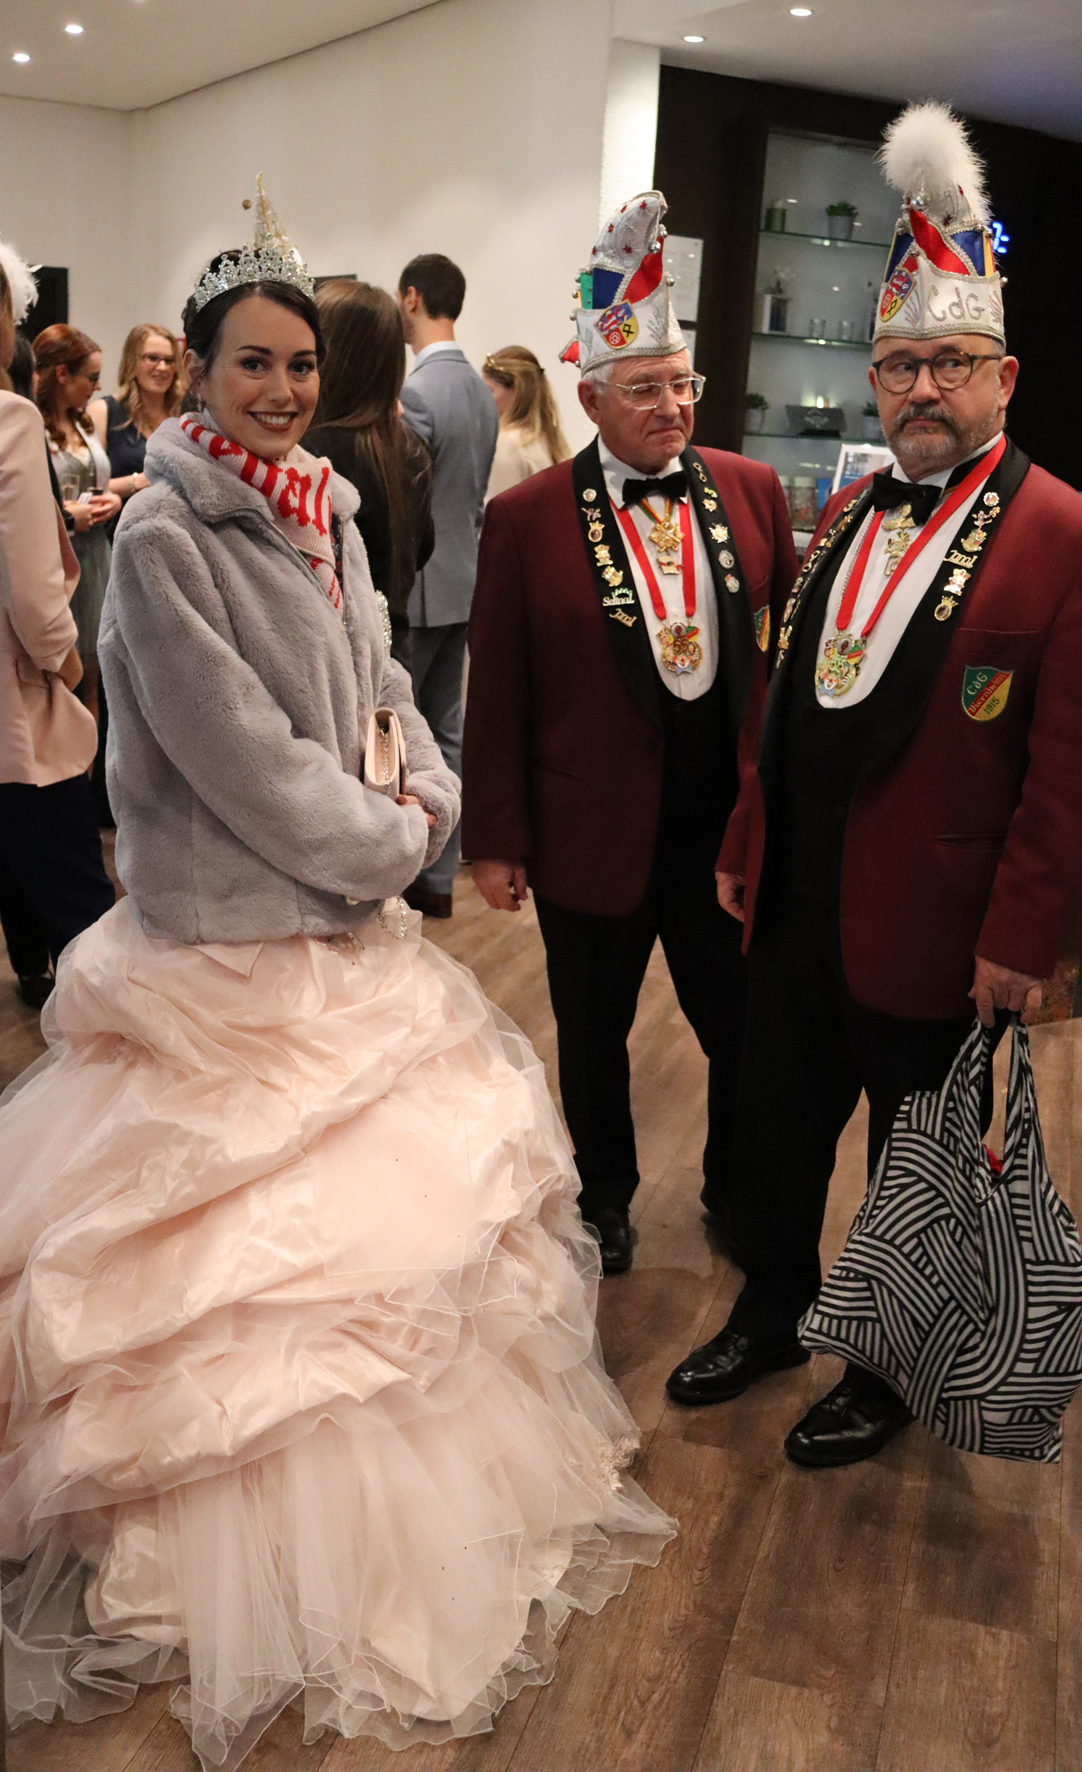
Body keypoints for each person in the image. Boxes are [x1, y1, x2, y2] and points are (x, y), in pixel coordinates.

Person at [0, 188, 672, 1769]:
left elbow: (386, 686)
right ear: (196, 372)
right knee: (229, 1277)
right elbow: (242, 760)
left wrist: (426, 793)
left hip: (342, 929)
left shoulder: (329, 510)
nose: (283, 389)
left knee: (394, 1259)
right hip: (228, 940)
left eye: (300, 364)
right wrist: (388, 840)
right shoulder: (165, 538)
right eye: (252, 362)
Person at [665, 104, 1082, 1467]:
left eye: (948, 363)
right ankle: (769, 1311)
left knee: (909, 1166)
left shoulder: (1072, 544)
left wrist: (1020, 943)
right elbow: (783, 705)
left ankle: (883, 1369)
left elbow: (1069, 777)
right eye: (898, 365)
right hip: (795, 899)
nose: (920, 388)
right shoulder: (843, 510)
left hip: (939, 924)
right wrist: (747, 838)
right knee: (772, 1129)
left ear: (1004, 376)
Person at [463, 192, 797, 1275]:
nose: (670, 406)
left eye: (680, 384)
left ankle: (733, 1189)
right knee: (593, 1031)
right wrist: (494, 838)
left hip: (721, 830)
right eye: (644, 389)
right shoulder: (524, 519)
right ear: (590, 396)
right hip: (588, 826)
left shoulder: (751, 492)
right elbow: (497, 686)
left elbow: (782, 668)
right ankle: (602, 1196)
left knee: (736, 1027)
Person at [0, 230, 114, 1035]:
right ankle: (115, 1068)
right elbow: (31, 590)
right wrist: (67, 665)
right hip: (10, 701)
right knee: (83, 909)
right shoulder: (3, 415)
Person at [396, 250, 498, 917]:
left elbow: (408, 497)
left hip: (419, 585)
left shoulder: (417, 391)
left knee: (394, 731)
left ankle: (399, 868)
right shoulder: (482, 391)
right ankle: (437, 879)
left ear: (411, 298)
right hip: (465, 579)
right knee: (446, 728)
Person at [304, 279, 434, 648]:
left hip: (335, 655)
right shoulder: (410, 447)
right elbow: (421, 548)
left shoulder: (311, 454)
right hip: (394, 648)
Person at [34, 324, 121, 725]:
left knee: (95, 678)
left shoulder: (85, 421)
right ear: (61, 374)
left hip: (97, 556)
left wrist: (112, 499)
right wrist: (68, 514)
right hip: (56, 561)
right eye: (92, 376)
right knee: (60, 679)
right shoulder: (31, 425)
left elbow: (100, 479)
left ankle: (94, 764)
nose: (97, 386)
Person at [88, 321, 183, 507]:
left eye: (169, 361)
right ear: (132, 361)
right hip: (120, 521)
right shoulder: (103, 412)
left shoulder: (184, 416)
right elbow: (87, 487)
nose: (162, 367)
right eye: (152, 358)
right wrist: (138, 482)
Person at [482, 345, 570, 500]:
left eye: (490, 390)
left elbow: (499, 511)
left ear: (516, 390)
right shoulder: (549, 442)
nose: (482, 399)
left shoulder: (507, 444)